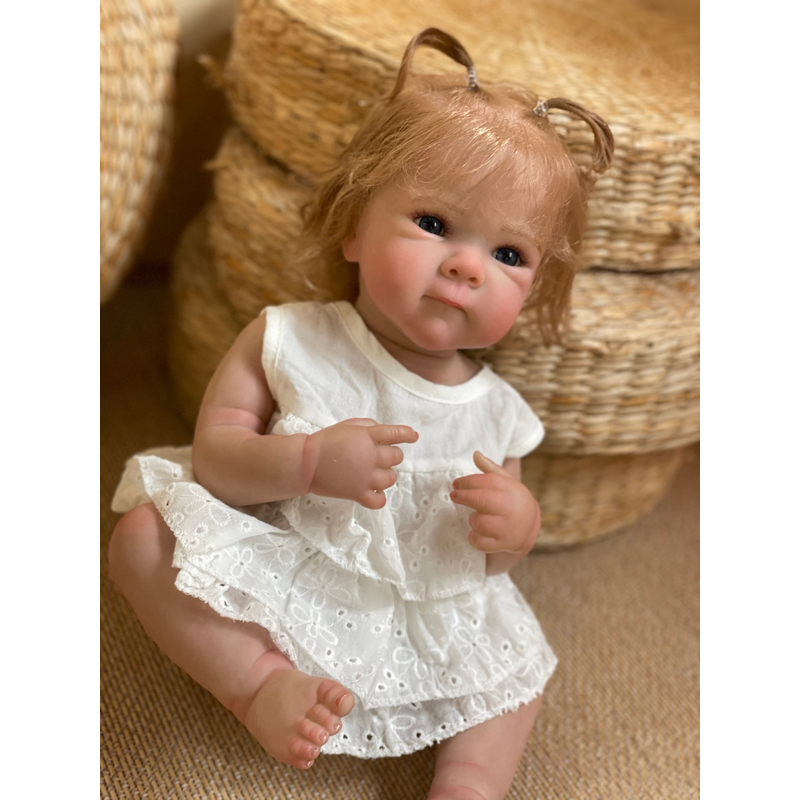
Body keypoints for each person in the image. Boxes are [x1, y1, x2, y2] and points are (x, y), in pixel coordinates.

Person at [108, 27, 613, 800]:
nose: (466, 266)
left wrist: (515, 527)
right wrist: (307, 462)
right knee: (143, 539)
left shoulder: (499, 412)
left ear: (534, 287)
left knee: (516, 679)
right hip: (281, 564)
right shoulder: (291, 340)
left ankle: (469, 785)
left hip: (419, 607)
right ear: (352, 227)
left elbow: (489, 565)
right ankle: (258, 683)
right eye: (435, 224)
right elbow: (215, 460)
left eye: (509, 255)